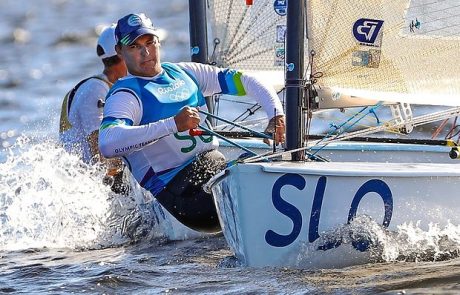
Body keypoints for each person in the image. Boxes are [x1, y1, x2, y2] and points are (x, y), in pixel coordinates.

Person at [99, 13, 286, 232]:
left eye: (150, 42)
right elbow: (108, 143)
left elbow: (247, 80)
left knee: (269, 162)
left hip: (215, 170)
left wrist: (276, 114)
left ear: (158, 40)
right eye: (134, 46)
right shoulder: (125, 94)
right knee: (253, 172)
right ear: (120, 52)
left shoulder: (185, 73)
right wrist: (173, 124)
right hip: (184, 196)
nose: (145, 52)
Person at [59, 24, 128, 194]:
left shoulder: (106, 87)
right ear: (121, 54)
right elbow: (100, 154)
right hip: (88, 189)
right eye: (135, 49)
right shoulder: (96, 89)